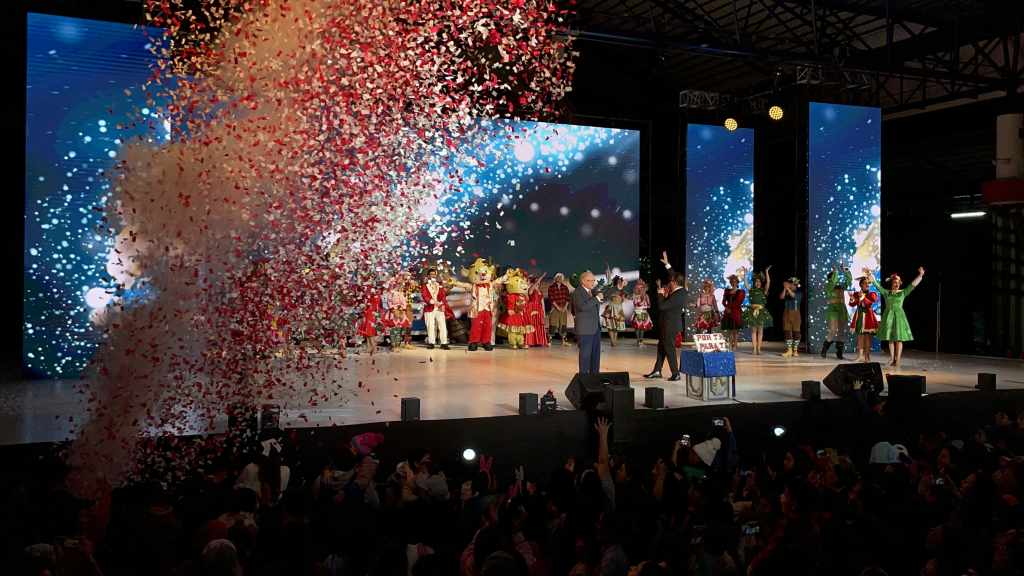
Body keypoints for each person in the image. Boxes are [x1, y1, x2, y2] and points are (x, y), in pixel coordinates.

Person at [864, 266, 925, 368]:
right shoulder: (886, 292)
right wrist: (870, 274)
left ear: (900, 283)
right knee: (891, 339)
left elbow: (913, 285)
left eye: (898, 283)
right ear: (892, 283)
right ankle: (892, 358)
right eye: (894, 282)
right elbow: (876, 284)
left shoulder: (903, 292)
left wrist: (920, 275)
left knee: (898, 339)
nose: (896, 284)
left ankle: (898, 360)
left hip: (899, 317)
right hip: (889, 317)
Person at [645, 251, 687, 381]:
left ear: (674, 282)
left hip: (671, 325)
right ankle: (657, 370)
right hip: (668, 324)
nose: (669, 282)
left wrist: (660, 293)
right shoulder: (679, 290)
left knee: (669, 348)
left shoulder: (679, 294)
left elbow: (662, 306)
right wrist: (667, 264)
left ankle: (676, 373)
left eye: (670, 281)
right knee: (662, 347)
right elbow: (673, 275)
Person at [571, 270, 604, 374]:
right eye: (590, 281)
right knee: (585, 356)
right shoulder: (577, 292)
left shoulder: (592, 292)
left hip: (595, 329)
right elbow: (582, 307)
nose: (593, 283)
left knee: (595, 355)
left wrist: (617, 287)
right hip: (585, 330)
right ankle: (584, 377)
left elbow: (604, 294)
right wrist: (596, 298)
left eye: (594, 280)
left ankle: (594, 376)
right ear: (583, 281)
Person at [821, 265, 852, 359]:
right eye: (834, 277)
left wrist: (846, 270)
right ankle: (824, 349)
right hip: (833, 310)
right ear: (830, 278)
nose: (837, 279)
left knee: (841, 331)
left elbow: (849, 281)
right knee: (833, 330)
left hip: (841, 308)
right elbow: (833, 281)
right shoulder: (828, 286)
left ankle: (839, 352)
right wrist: (835, 272)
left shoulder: (841, 286)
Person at [743, 266, 773, 355]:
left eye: (759, 282)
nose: (757, 283)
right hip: (752, 311)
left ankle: (759, 348)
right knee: (753, 331)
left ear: (761, 283)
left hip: (761, 312)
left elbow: (769, 282)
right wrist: (745, 274)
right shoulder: (751, 290)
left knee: (760, 331)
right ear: (754, 283)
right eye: (756, 282)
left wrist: (766, 272)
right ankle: (754, 349)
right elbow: (745, 283)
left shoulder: (764, 290)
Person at [849, 275, 879, 362]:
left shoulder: (872, 294)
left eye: (868, 283)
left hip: (868, 317)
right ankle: (860, 356)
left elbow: (869, 304)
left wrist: (862, 297)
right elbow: (852, 304)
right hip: (859, 317)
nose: (867, 285)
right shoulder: (856, 294)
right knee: (860, 337)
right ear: (861, 285)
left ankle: (867, 357)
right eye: (865, 283)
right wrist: (851, 299)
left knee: (867, 337)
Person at [421, 268, 450, 350]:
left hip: (439, 307)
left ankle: (444, 343)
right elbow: (424, 296)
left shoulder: (439, 284)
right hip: (429, 307)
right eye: (431, 274)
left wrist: (441, 303)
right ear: (428, 275)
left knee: (442, 325)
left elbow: (443, 295)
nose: (433, 275)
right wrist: (432, 302)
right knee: (430, 325)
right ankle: (431, 343)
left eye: (434, 274)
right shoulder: (425, 285)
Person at [602, 266, 627, 347]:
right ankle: (612, 340)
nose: (624, 282)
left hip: (619, 308)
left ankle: (615, 339)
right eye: (622, 281)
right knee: (610, 325)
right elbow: (606, 295)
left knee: (616, 326)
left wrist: (622, 298)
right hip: (612, 308)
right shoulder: (613, 288)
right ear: (619, 281)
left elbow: (623, 300)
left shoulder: (623, 291)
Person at [779, 276, 803, 357]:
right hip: (786, 313)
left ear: (794, 285)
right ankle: (789, 350)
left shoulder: (799, 292)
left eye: (791, 284)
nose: (789, 285)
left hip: (796, 314)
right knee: (787, 331)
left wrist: (787, 288)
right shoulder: (787, 292)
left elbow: (793, 296)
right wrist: (785, 289)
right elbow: (781, 297)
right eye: (789, 284)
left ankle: (795, 350)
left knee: (797, 332)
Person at [721, 274, 745, 350]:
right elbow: (723, 301)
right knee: (729, 329)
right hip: (728, 312)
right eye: (732, 282)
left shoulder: (741, 292)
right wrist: (726, 307)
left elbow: (739, 302)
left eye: (735, 282)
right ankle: (730, 344)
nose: (733, 283)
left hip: (736, 312)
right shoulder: (727, 291)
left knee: (735, 329)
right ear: (730, 283)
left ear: (737, 283)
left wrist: (730, 307)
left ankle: (735, 344)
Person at [547, 273, 572, 346]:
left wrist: (565, 307)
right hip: (554, 308)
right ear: (555, 278)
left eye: (561, 277)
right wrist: (557, 307)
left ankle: (564, 340)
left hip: (563, 308)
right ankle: (549, 340)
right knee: (553, 324)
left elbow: (567, 298)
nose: (559, 278)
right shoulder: (551, 287)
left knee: (563, 324)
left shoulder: (565, 287)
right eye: (558, 277)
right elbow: (551, 298)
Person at [524, 274, 549, 347]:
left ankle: (538, 341)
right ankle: (529, 341)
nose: (538, 283)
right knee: (532, 323)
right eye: (537, 282)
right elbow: (531, 292)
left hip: (539, 308)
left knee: (539, 324)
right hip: (532, 308)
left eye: (538, 282)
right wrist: (542, 277)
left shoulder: (539, 291)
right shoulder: (531, 289)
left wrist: (543, 311)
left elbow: (541, 301)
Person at [630, 278, 653, 346]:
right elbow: (634, 303)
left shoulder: (645, 296)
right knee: (638, 327)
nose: (640, 289)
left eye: (641, 288)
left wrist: (642, 306)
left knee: (641, 327)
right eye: (638, 288)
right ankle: (639, 340)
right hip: (638, 312)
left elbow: (649, 305)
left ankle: (640, 340)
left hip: (641, 312)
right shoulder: (636, 296)